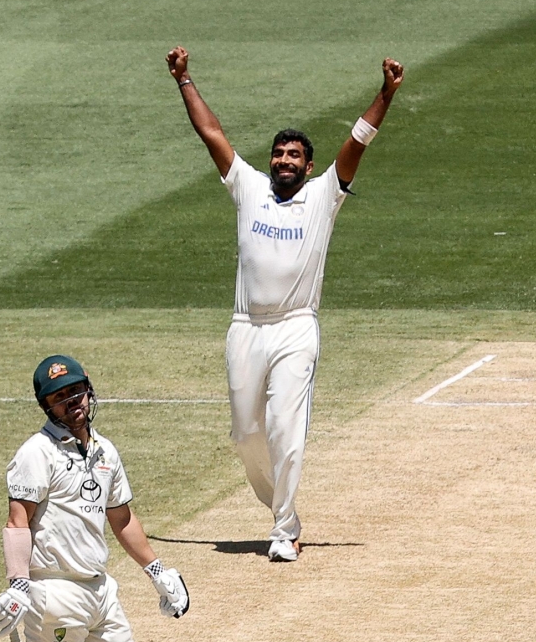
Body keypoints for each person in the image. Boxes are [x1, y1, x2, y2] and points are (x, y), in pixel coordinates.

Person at [165, 45, 404, 562]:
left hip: (295, 327)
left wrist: (385, 94)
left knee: (285, 432)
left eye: (294, 156)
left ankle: (283, 530)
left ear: (309, 165)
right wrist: (184, 80)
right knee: (246, 436)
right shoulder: (249, 187)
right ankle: (284, 512)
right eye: (279, 155)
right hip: (246, 327)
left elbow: (358, 142)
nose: (284, 161)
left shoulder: (323, 196)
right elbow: (211, 134)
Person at [0, 355, 189, 642]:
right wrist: (18, 584)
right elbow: (17, 522)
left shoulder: (105, 450)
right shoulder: (37, 453)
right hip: (54, 593)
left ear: (88, 389)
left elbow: (123, 519)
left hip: (101, 590)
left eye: (76, 391)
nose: (72, 402)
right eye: (60, 397)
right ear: (46, 406)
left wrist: (158, 572)